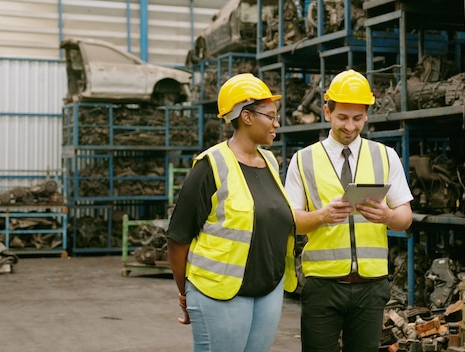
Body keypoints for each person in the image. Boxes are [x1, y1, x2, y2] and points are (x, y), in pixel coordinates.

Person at [284, 69, 414, 352]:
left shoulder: (385, 156)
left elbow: (405, 217)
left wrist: (389, 217)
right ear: (327, 112)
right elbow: (291, 222)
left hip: (371, 286)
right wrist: (322, 216)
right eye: (342, 117)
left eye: (358, 118)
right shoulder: (303, 160)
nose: (350, 126)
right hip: (323, 285)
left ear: (367, 115)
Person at [166, 73, 297, 352]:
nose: (276, 124)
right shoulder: (209, 166)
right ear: (247, 117)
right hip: (219, 292)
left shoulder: (270, 161)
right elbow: (178, 238)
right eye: (270, 116)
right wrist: (184, 292)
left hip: (267, 289)